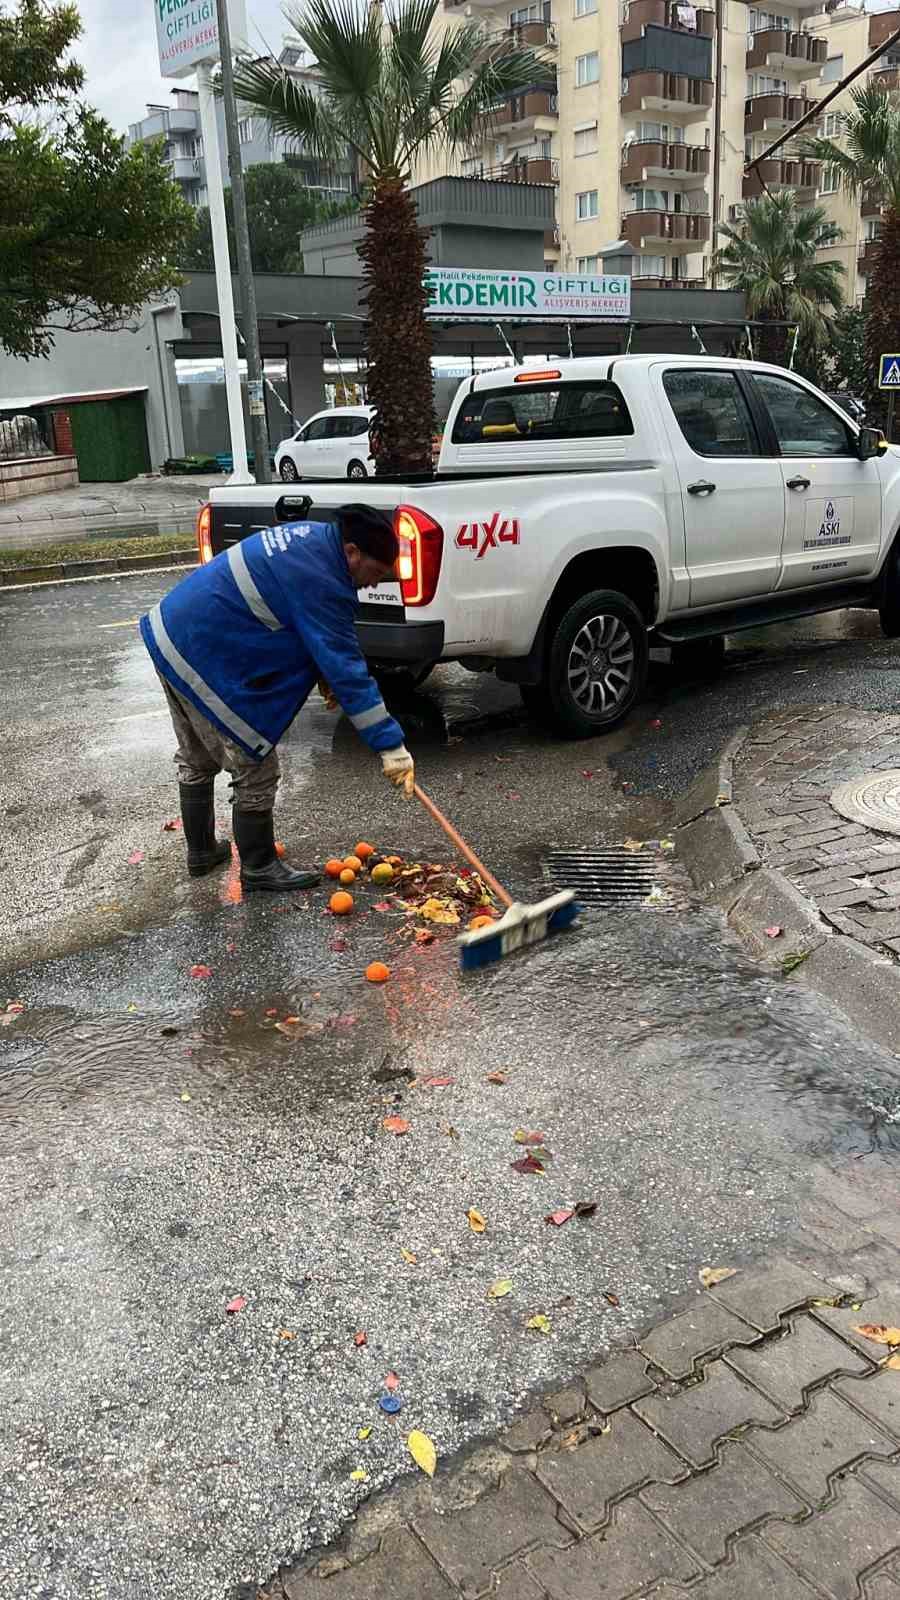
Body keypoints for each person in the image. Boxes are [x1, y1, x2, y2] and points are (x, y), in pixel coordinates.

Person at [139, 503, 415, 892]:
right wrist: (391, 746)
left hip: (170, 633)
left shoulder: (313, 540)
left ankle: (202, 852)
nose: (373, 584)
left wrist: (321, 672)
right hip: (201, 651)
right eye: (376, 573)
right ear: (352, 551)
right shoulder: (324, 578)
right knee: (256, 764)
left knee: (198, 756)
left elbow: (296, 621)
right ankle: (258, 866)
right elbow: (347, 667)